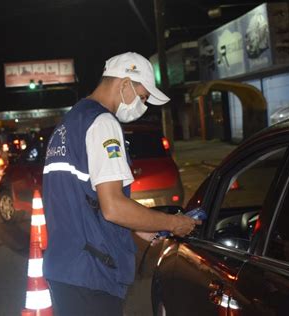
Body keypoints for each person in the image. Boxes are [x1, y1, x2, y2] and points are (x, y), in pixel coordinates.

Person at [42, 52, 201, 316]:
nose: (143, 105)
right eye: (142, 97)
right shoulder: (103, 123)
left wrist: (139, 225)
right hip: (90, 274)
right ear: (125, 83)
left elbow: (86, 200)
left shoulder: (71, 122)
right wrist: (173, 223)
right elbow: (113, 206)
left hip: (65, 268)